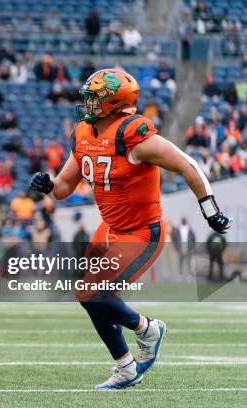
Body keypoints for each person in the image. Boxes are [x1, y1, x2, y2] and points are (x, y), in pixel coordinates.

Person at [29, 68, 232, 389]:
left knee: (91, 292)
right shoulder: (84, 133)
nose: (87, 104)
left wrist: (209, 208)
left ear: (113, 102)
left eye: (94, 98)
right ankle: (125, 367)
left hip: (141, 233)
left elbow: (186, 163)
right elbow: (64, 187)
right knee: (90, 294)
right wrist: (47, 185)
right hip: (109, 228)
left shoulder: (133, 134)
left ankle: (148, 329)